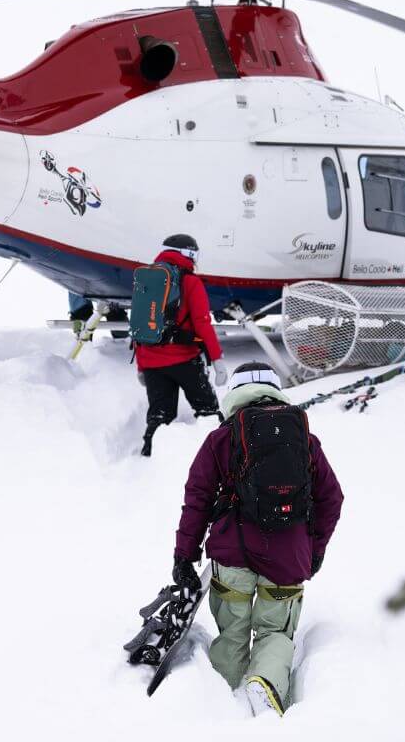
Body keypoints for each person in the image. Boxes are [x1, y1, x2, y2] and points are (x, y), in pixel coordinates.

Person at [171, 362, 343, 716]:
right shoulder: (304, 440)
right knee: (275, 632)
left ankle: (220, 696)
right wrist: (315, 549)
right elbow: (331, 497)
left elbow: (198, 498)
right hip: (288, 559)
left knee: (232, 630)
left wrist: (184, 556)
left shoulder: (221, 438)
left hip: (232, 555)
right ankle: (265, 684)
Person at [135, 234, 227, 457]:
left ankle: (148, 459)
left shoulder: (146, 278)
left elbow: (139, 323)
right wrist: (217, 360)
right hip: (184, 360)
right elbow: (203, 324)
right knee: (208, 410)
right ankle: (220, 455)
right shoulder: (191, 282)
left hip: (150, 362)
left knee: (160, 415)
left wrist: (140, 365)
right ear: (189, 254)